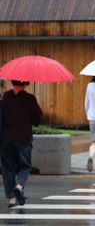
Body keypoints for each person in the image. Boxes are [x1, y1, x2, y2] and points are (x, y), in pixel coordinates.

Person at [0, 80, 42, 208]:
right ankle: (19, 186)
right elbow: (37, 121)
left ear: (12, 82)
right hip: (24, 138)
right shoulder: (30, 98)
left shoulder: (5, 97)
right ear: (26, 83)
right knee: (25, 166)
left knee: (8, 168)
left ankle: (12, 199)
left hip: (6, 139)